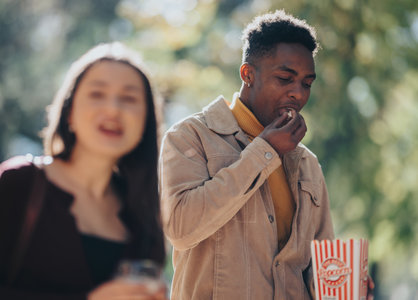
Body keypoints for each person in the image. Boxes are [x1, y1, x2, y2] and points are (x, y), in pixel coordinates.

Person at [159, 10, 374, 300]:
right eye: (285, 78)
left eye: (307, 83)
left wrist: (344, 287)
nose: (298, 94)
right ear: (248, 74)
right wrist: (265, 151)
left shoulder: (307, 163)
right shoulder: (190, 137)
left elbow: (318, 272)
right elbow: (181, 229)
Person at [0, 42, 167, 300]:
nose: (113, 109)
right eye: (97, 94)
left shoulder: (144, 216)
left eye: (129, 98)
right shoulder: (20, 182)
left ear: (145, 123)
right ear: (69, 112)